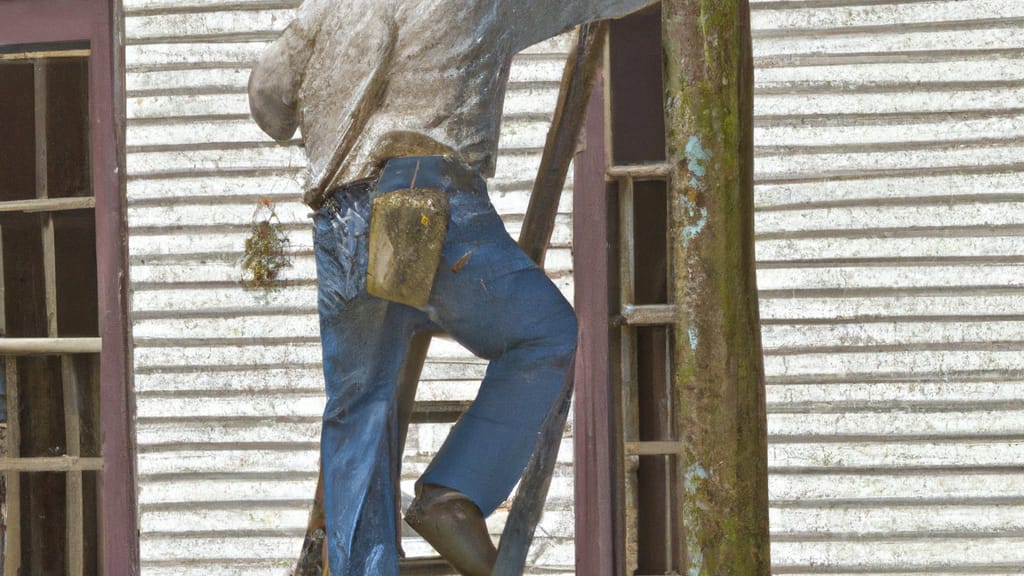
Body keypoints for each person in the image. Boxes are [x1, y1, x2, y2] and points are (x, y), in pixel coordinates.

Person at [249, 1, 655, 574]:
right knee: (547, 335)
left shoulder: (326, 6)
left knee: (358, 406)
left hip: (341, 221)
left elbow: (268, 104)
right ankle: (452, 493)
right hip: (423, 198)